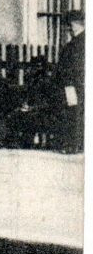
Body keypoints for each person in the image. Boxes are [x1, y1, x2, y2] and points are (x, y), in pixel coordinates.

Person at [53, 11, 84, 153]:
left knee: (74, 113)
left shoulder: (81, 42)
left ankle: (74, 145)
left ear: (76, 24)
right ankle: (73, 144)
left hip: (73, 84)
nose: (68, 29)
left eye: (69, 25)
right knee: (73, 112)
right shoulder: (78, 41)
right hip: (71, 83)